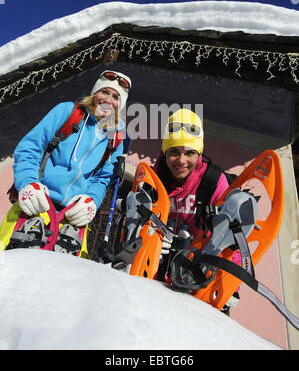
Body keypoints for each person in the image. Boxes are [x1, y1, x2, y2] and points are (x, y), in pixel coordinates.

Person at [12, 69, 132, 228]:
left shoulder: (115, 137)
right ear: (95, 93)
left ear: (120, 104)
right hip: (38, 200)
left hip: (72, 216)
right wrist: (28, 182)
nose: (108, 100)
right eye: (104, 92)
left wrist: (92, 200)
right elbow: (30, 148)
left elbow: (103, 178)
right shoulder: (68, 112)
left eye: (116, 97)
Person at [153, 108, 240, 311]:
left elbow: (231, 232)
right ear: (165, 151)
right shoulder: (154, 178)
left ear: (198, 153)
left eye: (190, 153)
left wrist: (229, 282)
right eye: (174, 151)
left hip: (199, 274)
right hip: (157, 269)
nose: (181, 161)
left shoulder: (213, 180)